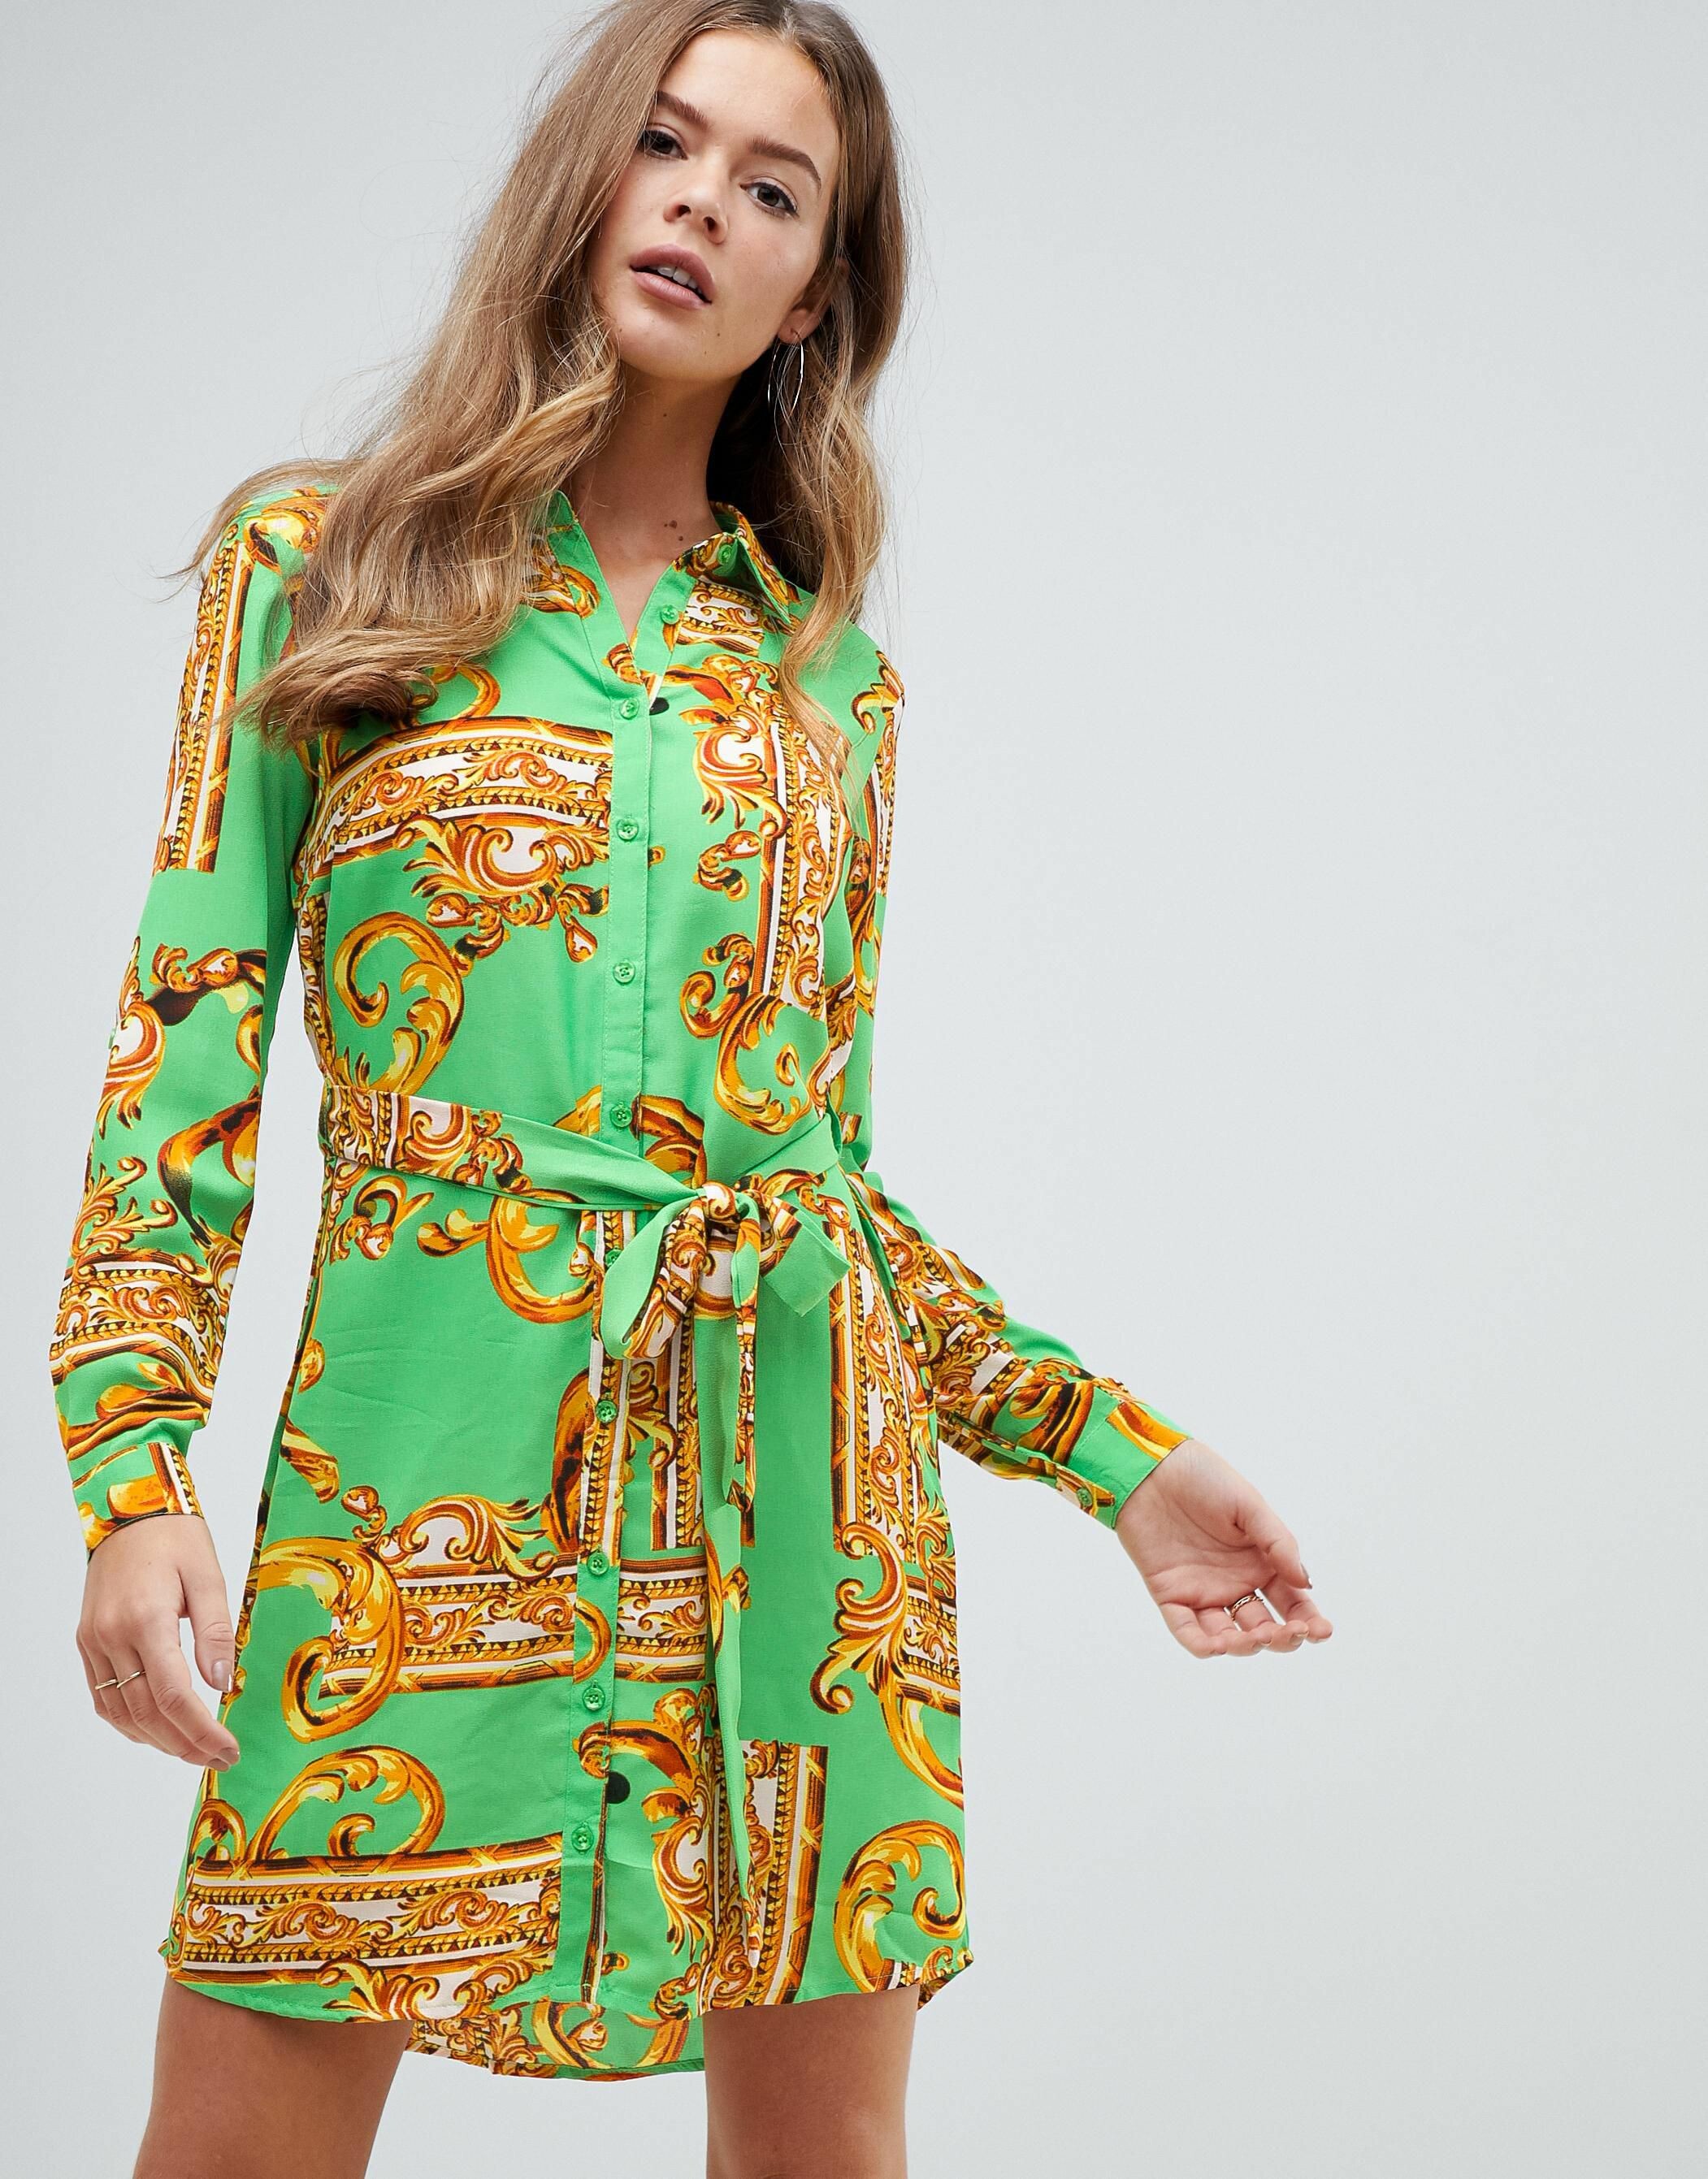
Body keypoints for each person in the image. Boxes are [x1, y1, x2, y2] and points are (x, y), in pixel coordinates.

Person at [48, 3, 1333, 2173]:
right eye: (667, 143)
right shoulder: (322, 563)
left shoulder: (830, 689)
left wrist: (1116, 1460)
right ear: (588, 171)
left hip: (798, 1529)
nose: (703, 205)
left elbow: (821, 1184)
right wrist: (131, 1467)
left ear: (814, 290)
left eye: (773, 188)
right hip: (412, 1511)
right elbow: (182, 1050)